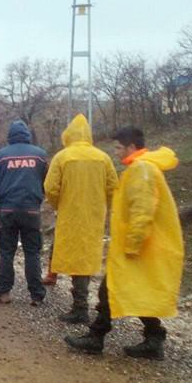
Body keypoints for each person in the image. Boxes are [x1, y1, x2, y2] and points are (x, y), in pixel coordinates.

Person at [65, 127, 184, 360]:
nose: (116, 152)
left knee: (110, 289)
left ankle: (97, 337)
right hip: (141, 245)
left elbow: (142, 211)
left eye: (118, 147)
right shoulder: (140, 168)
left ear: (131, 147)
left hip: (141, 247)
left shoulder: (142, 169)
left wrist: (132, 244)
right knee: (131, 290)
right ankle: (153, 337)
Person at [44, 115, 118, 324]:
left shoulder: (62, 157)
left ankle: (80, 307)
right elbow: (113, 186)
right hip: (94, 215)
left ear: (68, 134)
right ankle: (83, 304)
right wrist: (102, 204)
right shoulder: (103, 158)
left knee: (75, 257)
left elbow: (50, 188)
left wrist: (60, 204)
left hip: (70, 215)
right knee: (86, 257)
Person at [0, 120, 48, 305]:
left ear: (10, 136)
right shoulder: (40, 155)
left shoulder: (0, 155)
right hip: (31, 209)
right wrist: (39, 198)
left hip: (8, 209)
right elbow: (47, 180)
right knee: (32, 252)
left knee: (7, 251)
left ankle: (4, 292)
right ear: (27, 135)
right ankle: (37, 295)